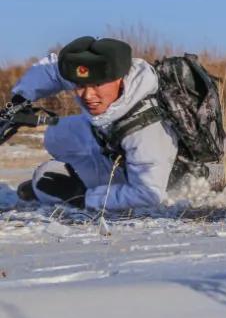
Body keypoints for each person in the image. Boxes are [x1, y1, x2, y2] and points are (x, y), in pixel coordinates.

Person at [8, 37, 181, 209]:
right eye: (80, 86)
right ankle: (57, 186)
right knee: (56, 134)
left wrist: (83, 198)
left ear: (120, 79)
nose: (87, 96)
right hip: (110, 137)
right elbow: (53, 70)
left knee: (45, 177)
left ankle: (70, 188)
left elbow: (148, 194)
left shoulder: (146, 131)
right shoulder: (103, 71)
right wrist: (19, 101)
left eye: (97, 85)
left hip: (154, 173)